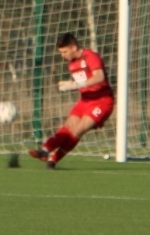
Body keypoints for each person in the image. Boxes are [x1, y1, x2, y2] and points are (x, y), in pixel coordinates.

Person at [28, 32, 113, 169]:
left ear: (74, 47)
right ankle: (44, 150)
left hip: (101, 101)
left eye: (65, 51)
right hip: (85, 101)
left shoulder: (91, 57)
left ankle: (54, 159)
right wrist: (70, 84)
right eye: (61, 52)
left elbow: (99, 77)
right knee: (67, 127)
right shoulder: (71, 64)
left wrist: (75, 85)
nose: (63, 55)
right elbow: (84, 80)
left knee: (77, 130)